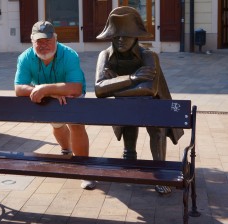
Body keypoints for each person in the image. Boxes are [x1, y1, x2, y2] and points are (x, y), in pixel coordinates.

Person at [95, 6, 184, 195]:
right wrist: (132, 79)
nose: (120, 40)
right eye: (116, 35)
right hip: (127, 106)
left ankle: (160, 172)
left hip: (155, 103)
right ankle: (130, 162)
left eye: (125, 36)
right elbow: (99, 89)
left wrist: (114, 86)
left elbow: (149, 89)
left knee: (157, 131)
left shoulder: (149, 56)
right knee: (128, 125)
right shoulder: (105, 55)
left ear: (136, 36)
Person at [14, 21, 95, 190]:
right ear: (32, 41)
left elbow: (75, 87)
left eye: (47, 41)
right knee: (57, 125)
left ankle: (85, 170)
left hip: (71, 95)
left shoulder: (70, 55)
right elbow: (19, 88)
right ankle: (66, 150)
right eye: (39, 42)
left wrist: (45, 88)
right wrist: (49, 93)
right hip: (47, 96)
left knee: (76, 125)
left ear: (55, 39)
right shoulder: (25, 58)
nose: (44, 45)